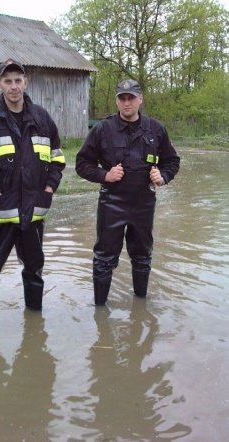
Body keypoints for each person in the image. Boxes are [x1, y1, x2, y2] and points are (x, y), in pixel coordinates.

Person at [0, 59, 65, 325]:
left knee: (34, 271)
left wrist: (48, 189)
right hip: (0, 216)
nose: (13, 86)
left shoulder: (43, 119)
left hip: (33, 215)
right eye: (7, 81)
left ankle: (35, 324)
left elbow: (57, 160)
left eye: (18, 80)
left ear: (25, 83)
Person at [75, 79, 180, 305]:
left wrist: (163, 177)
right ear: (117, 101)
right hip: (112, 203)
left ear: (140, 99)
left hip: (144, 204)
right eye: (122, 98)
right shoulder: (103, 129)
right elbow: (82, 164)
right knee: (104, 258)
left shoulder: (156, 129)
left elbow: (172, 162)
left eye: (131, 97)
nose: (126, 102)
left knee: (142, 256)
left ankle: (140, 306)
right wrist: (105, 175)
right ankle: (100, 312)